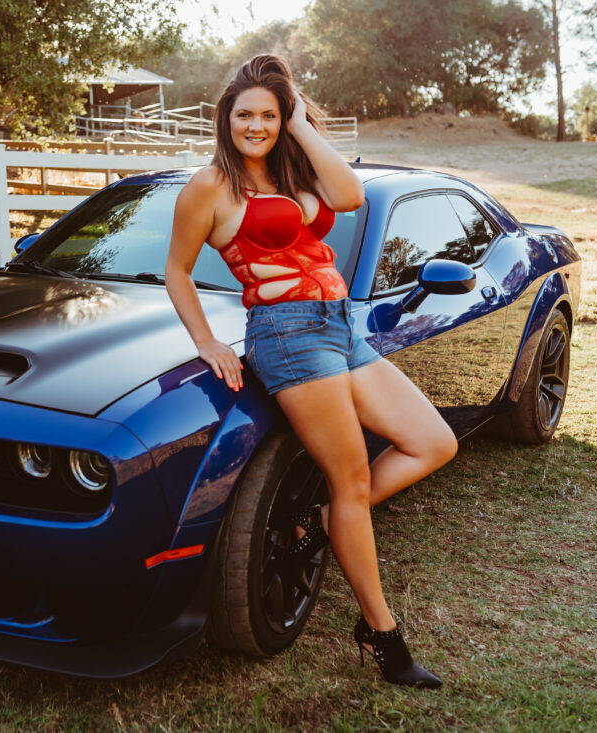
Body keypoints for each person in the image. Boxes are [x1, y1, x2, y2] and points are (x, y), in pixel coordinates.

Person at [164, 54, 457, 688]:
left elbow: (350, 196)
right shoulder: (210, 186)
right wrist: (209, 341)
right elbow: (177, 272)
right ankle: (383, 637)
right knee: (350, 479)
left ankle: (323, 519)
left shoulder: (292, 165)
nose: (256, 125)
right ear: (226, 118)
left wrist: (299, 121)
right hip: (288, 336)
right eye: (245, 114)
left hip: (339, 325)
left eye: (269, 114)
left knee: (434, 441)